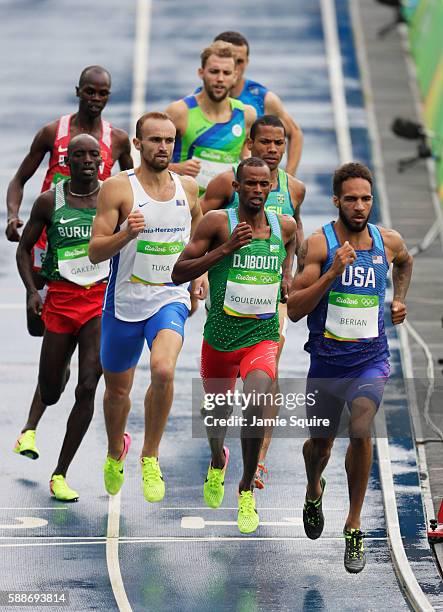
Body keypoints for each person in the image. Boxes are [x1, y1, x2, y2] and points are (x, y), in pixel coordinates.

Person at [287, 162, 413, 573]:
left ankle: (354, 525)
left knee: (362, 428)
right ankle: (312, 488)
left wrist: (398, 299)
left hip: (371, 360)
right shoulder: (319, 246)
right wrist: (333, 273)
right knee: (319, 447)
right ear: (337, 200)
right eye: (352, 199)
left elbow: (405, 262)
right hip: (326, 363)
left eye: (366, 199)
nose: (360, 207)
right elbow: (294, 310)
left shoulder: (386, 241)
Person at [8, 66, 132, 463]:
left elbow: (136, 181)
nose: (96, 99)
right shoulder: (52, 133)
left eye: (103, 94)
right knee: (41, 336)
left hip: (94, 255)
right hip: (50, 247)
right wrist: (13, 215)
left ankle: (30, 431)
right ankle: (48, 390)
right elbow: (20, 179)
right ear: (79, 92)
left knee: (87, 375)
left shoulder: (116, 139)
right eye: (90, 92)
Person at [172, 157, 296, 534]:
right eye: (251, 184)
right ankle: (216, 461)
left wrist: (286, 276)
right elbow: (178, 271)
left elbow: (291, 248)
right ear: (237, 186)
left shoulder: (283, 225)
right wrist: (224, 251)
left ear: (271, 188)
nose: (258, 190)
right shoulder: (217, 222)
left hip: (261, 336)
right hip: (220, 340)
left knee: (258, 400)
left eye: (265, 184)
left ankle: (245, 488)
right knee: (217, 421)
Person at [88, 112, 206, 503]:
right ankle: (113, 451)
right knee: (117, 393)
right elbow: (94, 251)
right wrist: (126, 233)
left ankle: (150, 456)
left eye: (169, 140)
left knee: (163, 369)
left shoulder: (188, 189)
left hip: (167, 298)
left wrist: (199, 274)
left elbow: (198, 234)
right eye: (154, 140)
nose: (163, 147)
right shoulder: (118, 190)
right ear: (138, 145)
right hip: (123, 304)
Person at [202, 114, 305, 488]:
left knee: (265, 373)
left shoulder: (294, 189)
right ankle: (218, 454)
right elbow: (202, 227)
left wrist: (287, 273)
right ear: (251, 143)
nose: (273, 149)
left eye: (279, 144)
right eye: (265, 143)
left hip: (268, 294)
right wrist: (201, 274)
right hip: (227, 292)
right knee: (217, 403)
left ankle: (257, 462)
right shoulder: (228, 182)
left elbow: (294, 234)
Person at [15, 134, 108, 501]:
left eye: (93, 155)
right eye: (80, 155)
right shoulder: (49, 202)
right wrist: (32, 291)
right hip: (60, 300)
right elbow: (24, 251)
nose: (87, 160)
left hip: (99, 301)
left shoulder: (111, 198)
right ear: (66, 161)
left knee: (88, 386)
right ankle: (59, 371)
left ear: (101, 161)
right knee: (52, 391)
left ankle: (60, 473)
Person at [196, 31, 303, 175]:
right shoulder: (196, 102)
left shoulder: (263, 100)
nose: (236, 68)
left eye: (239, 61)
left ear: (247, 61)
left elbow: (295, 133)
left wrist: (289, 179)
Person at [166, 41, 256, 196]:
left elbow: (247, 160)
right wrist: (176, 169)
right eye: (214, 71)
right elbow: (148, 161)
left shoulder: (246, 115)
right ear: (201, 73)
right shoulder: (180, 112)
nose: (220, 78)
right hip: (188, 207)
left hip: (228, 210)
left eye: (226, 73)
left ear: (235, 76)